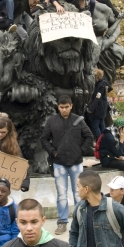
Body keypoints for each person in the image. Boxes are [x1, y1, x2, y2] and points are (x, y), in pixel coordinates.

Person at [41, 95, 93, 235]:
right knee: (61, 194)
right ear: (58, 107)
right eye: (61, 107)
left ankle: (80, 221)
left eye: (66, 107)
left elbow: (89, 136)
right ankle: (62, 221)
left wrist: (80, 151)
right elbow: (44, 139)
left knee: (79, 192)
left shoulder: (78, 120)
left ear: (71, 106)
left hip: (76, 162)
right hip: (59, 163)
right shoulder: (52, 121)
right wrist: (53, 152)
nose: (64, 110)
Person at [88, 69, 112, 139]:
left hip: (99, 109)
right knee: (102, 125)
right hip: (103, 109)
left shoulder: (100, 85)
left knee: (95, 126)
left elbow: (97, 98)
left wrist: (91, 109)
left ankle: (100, 141)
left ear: (97, 77)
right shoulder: (103, 83)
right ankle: (105, 139)